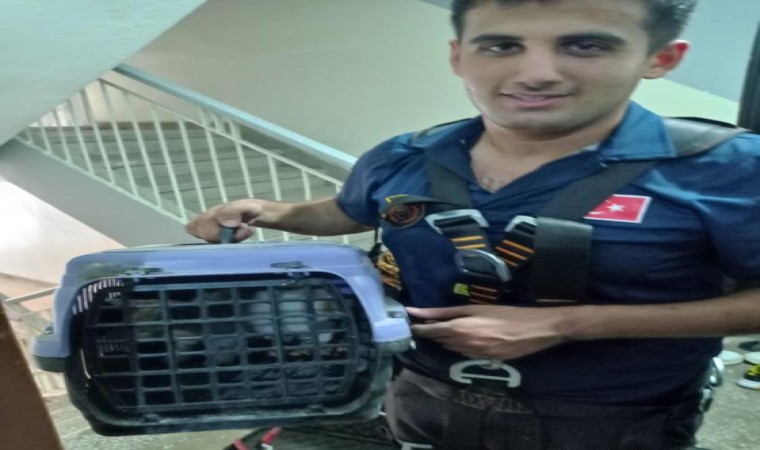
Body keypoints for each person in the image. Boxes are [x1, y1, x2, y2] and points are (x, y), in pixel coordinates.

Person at [186, 0, 760, 448]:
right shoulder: (405, 155)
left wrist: (570, 324)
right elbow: (348, 210)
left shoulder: (728, 171)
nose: (536, 73)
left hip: (611, 419)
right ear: (460, 56)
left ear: (660, 58)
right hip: (418, 396)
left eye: (585, 45)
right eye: (503, 45)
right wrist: (273, 210)